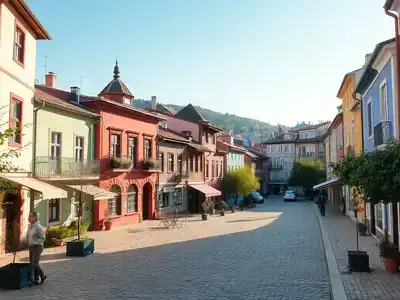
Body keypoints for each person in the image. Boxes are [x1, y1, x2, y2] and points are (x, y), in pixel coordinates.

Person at [27, 212, 47, 285]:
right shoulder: (29, 226)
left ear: (35, 218)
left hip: (38, 247)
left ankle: (43, 276)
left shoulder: (39, 227)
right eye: (28, 216)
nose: (28, 218)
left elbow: (43, 238)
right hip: (31, 247)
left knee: (35, 263)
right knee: (32, 263)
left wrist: (35, 243)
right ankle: (36, 279)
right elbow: (28, 235)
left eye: (30, 217)